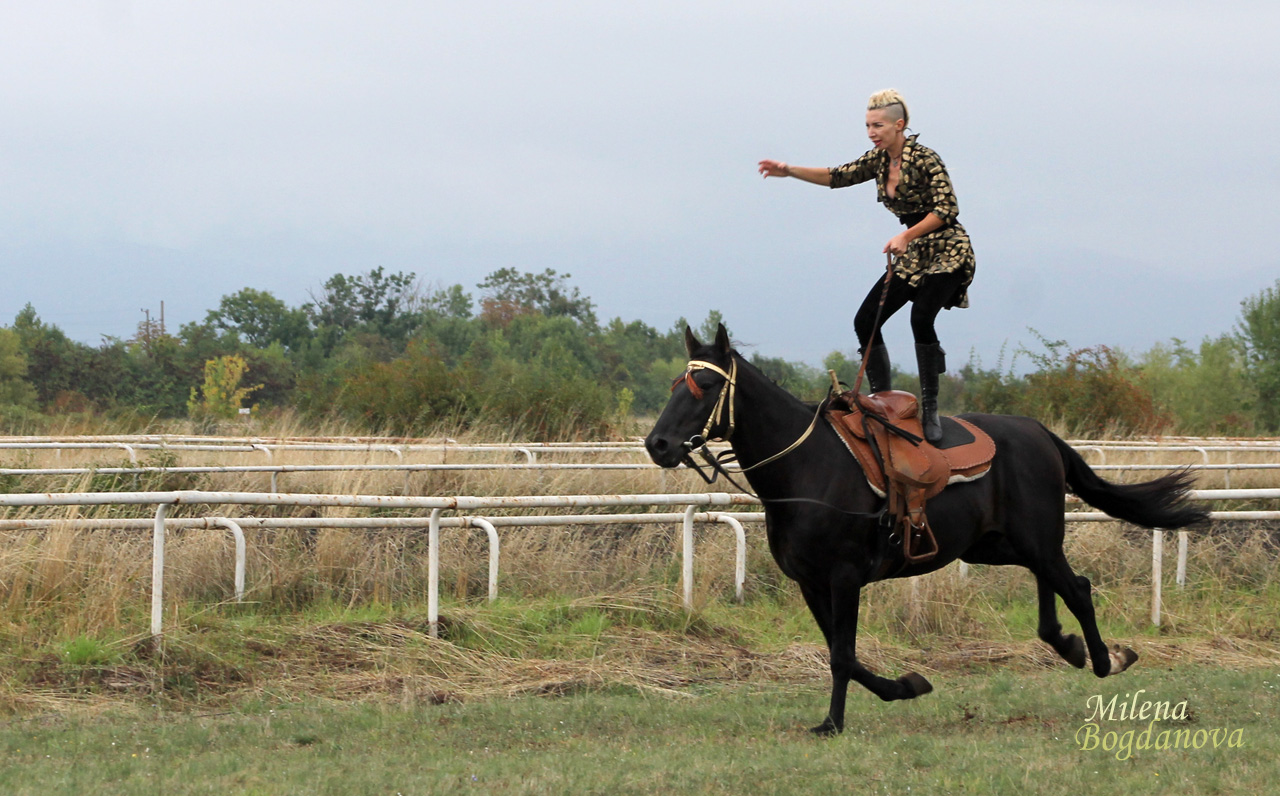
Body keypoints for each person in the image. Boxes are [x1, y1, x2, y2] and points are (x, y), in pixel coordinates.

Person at [758, 88, 975, 443]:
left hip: (947, 248)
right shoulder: (877, 161)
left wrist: (907, 236)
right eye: (867, 126)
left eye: (878, 125)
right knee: (865, 320)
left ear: (899, 125)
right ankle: (883, 405)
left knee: (920, 317)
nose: (872, 132)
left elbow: (947, 209)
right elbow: (837, 176)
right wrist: (789, 171)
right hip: (913, 252)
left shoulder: (925, 158)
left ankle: (930, 407)